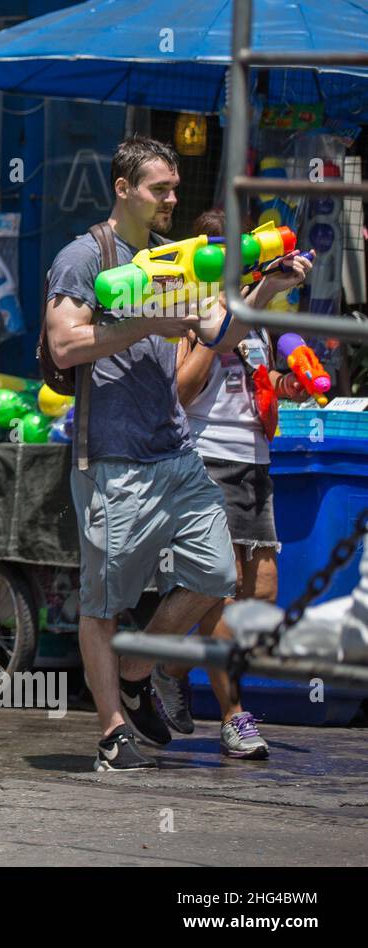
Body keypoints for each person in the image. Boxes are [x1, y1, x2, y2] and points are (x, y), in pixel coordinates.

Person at [44, 136, 311, 771]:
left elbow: (218, 334)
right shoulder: (85, 257)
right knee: (102, 601)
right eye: (159, 188)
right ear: (123, 188)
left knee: (217, 574)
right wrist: (149, 325)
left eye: (173, 187)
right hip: (111, 454)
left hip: (174, 448)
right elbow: (63, 346)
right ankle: (112, 732)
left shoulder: (172, 257)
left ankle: (136, 670)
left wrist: (267, 288)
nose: (171, 198)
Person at [159, 207, 312, 760]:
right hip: (207, 460)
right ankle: (232, 716)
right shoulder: (189, 311)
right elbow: (182, 389)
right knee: (220, 598)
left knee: (260, 595)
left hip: (256, 462)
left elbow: (257, 379)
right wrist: (217, 332)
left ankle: (168, 667)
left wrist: (286, 384)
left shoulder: (258, 313)